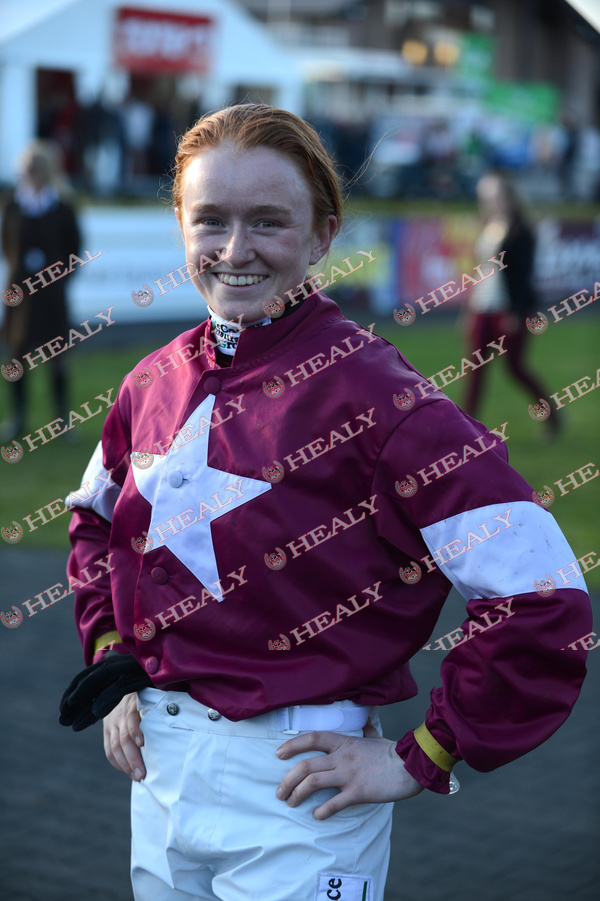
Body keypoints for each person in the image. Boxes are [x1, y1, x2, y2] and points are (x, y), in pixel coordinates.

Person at [59, 105, 592, 901]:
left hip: (300, 794)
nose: (236, 251)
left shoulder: (381, 397)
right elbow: (96, 521)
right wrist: (113, 656)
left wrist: (428, 751)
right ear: (181, 224)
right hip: (159, 777)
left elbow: (541, 593)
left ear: (322, 235)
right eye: (211, 220)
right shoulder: (150, 381)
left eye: (268, 222)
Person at [461, 171, 555, 430]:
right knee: (476, 371)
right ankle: (466, 430)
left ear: (509, 196)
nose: (491, 201)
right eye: (487, 196)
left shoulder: (521, 230)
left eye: (496, 195)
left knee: (515, 369)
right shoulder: (488, 225)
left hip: (508, 310)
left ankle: (552, 415)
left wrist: (517, 312)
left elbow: (524, 276)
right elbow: (481, 272)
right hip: (483, 307)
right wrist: (469, 310)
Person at [1, 139, 80, 438]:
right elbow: (7, 245)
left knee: (56, 357)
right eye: (26, 169)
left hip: (51, 295)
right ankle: (17, 419)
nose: (30, 174)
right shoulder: (13, 205)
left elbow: (74, 250)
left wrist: (55, 281)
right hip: (19, 293)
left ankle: (62, 422)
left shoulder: (61, 207)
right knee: (16, 356)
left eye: (35, 168)